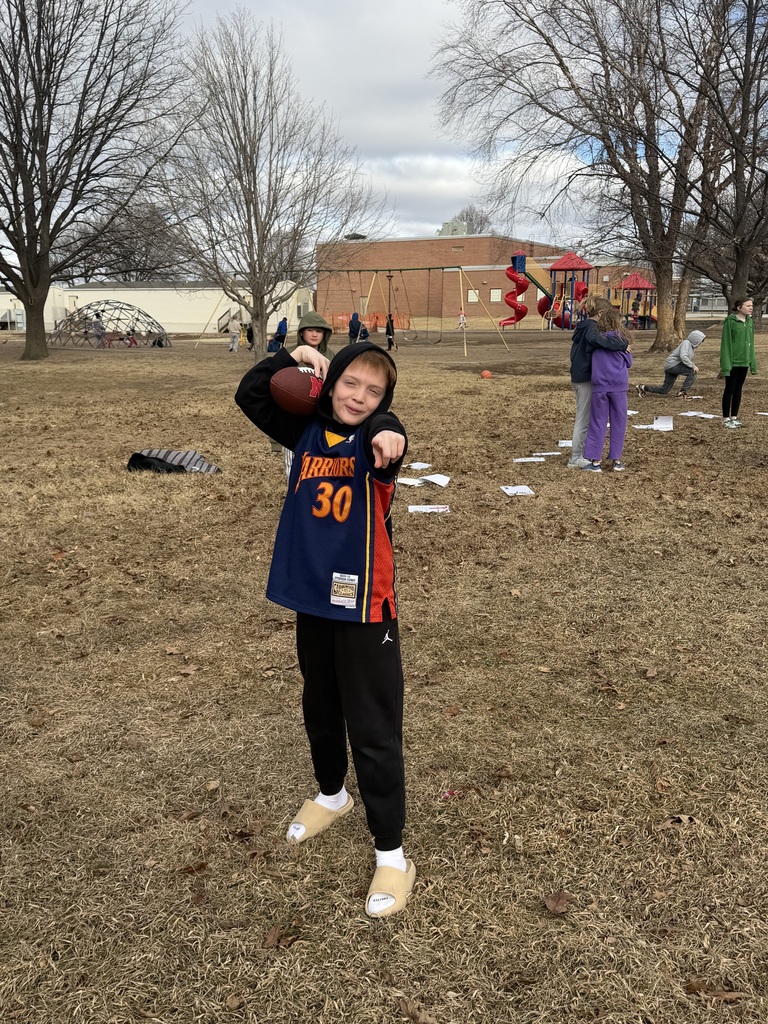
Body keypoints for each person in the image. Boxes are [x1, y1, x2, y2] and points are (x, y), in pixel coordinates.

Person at [235, 340, 415, 919]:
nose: (359, 397)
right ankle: (332, 795)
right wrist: (293, 356)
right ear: (330, 382)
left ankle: (393, 852)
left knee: (372, 726)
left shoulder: (375, 439)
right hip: (313, 597)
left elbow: (389, 432)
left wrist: (391, 429)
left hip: (365, 605)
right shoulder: (306, 432)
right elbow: (252, 393)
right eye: (350, 383)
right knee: (319, 701)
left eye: (374, 390)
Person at [567, 296, 629, 468]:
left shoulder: (584, 326)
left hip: (580, 377)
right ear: (601, 313)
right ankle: (576, 457)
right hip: (585, 378)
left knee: (585, 418)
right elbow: (598, 341)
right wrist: (622, 345)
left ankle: (581, 454)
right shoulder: (591, 328)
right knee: (584, 419)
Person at [281, 312, 334, 477]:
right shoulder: (289, 355)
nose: (314, 334)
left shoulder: (331, 357)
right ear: (302, 332)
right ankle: (294, 499)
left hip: (319, 420)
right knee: (293, 466)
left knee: (318, 465)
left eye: (319, 330)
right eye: (310, 330)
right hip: (293, 420)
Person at [582, 305, 633, 472]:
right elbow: (629, 363)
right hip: (618, 385)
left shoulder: (596, 342)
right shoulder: (622, 341)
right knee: (619, 421)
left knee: (597, 421)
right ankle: (616, 460)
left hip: (599, 386)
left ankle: (595, 461)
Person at [635, 330, 706, 399]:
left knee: (664, 390)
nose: (700, 343)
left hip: (671, 367)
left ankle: (642, 387)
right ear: (695, 339)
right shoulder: (686, 343)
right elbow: (683, 356)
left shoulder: (691, 347)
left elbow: (685, 358)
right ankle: (682, 392)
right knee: (692, 372)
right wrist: (693, 366)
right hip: (673, 365)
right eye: (700, 341)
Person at [720, 297, 757, 428]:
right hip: (733, 362)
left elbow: (751, 343)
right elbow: (726, 344)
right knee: (729, 389)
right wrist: (726, 365)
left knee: (738, 389)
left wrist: (752, 362)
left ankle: (734, 417)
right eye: (748, 306)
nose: (751, 308)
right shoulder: (730, 322)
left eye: (751, 305)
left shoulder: (750, 322)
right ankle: (726, 418)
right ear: (739, 307)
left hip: (744, 362)